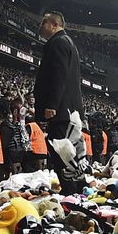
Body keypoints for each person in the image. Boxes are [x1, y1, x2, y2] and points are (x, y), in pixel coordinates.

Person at [33, 11, 87, 194]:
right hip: (70, 110)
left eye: (44, 22)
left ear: (54, 24)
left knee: (61, 151)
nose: (41, 26)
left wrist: (52, 105)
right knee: (73, 152)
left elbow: (58, 77)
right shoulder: (68, 43)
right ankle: (79, 187)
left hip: (61, 110)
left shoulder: (57, 43)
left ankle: (70, 190)